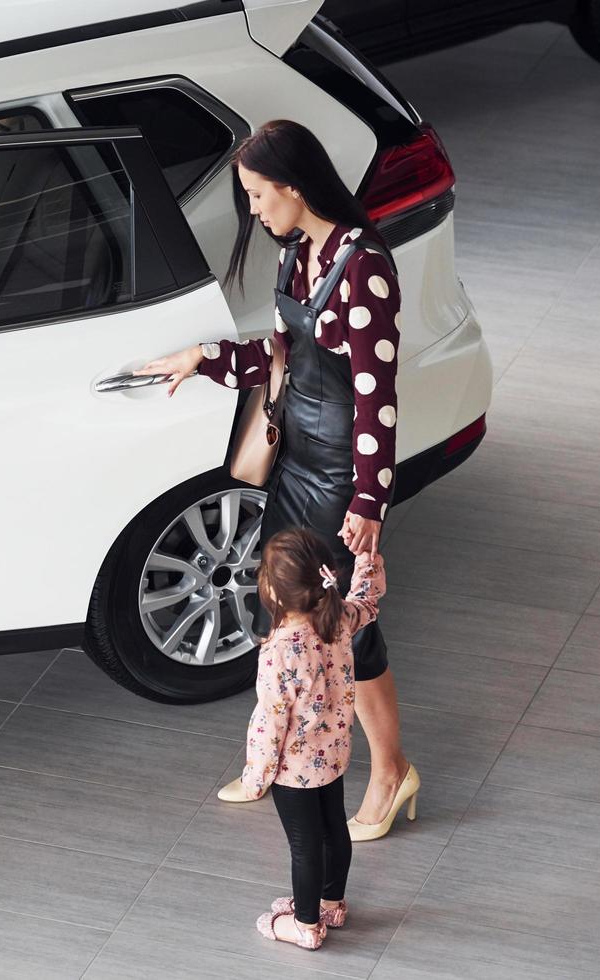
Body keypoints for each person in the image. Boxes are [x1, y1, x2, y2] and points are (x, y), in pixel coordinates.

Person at [138, 119, 417, 841]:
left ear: (295, 187)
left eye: (260, 195)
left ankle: (388, 773)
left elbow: (375, 396)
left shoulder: (364, 269)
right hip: (295, 459)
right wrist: (204, 358)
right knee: (281, 609)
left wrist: (367, 503)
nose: (254, 210)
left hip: (337, 475)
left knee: (340, 630)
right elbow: (280, 358)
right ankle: (274, 755)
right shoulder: (298, 252)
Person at [243, 529, 386, 949]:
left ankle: (305, 925)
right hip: (335, 754)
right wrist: (367, 561)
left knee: (304, 847)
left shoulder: (279, 653)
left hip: (295, 770)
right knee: (333, 833)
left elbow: (270, 725)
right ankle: (332, 903)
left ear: (273, 591)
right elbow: (367, 601)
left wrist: (256, 778)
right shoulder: (337, 617)